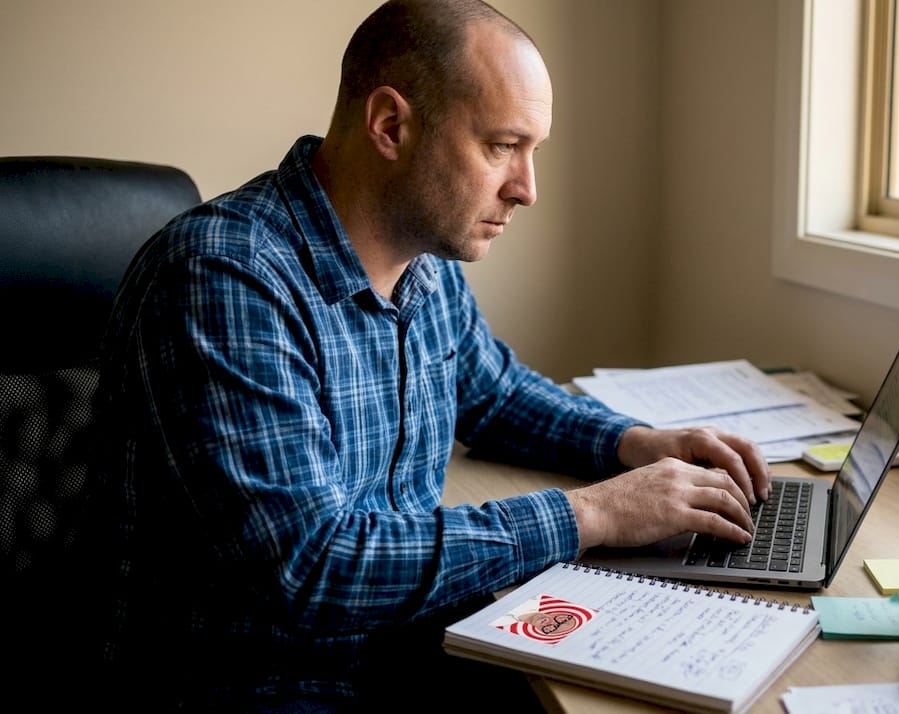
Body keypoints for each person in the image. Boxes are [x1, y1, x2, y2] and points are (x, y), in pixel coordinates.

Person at [77, 0, 771, 711]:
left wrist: (633, 442)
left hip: (395, 652)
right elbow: (312, 567)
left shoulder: (423, 265)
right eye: (503, 146)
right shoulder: (224, 277)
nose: (527, 189)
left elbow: (496, 393)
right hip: (254, 686)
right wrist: (589, 516)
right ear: (391, 126)